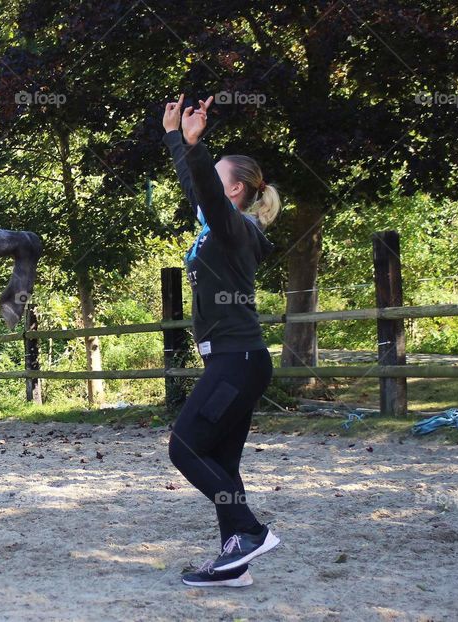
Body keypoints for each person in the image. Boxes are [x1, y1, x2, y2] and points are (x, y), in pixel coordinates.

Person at [161, 94, 282, 588]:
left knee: (185, 449)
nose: (209, 178)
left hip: (238, 361)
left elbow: (204, 192)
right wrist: (174, 138)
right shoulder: (219, 224)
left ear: (233, 190)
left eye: (216, 171)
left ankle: (250, 531)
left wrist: (194, 144)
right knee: (222, 465)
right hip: (234, 362)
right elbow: (198, 190)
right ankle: (235, 565)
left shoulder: (235, 229)